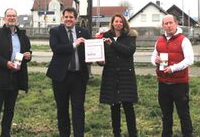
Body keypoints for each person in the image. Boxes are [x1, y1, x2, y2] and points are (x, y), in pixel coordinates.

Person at [0, 8, 32, 137]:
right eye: (9, 16)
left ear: (16, 18)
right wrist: (5, 63)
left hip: (15, 78)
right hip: (0, 78)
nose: (12, 18)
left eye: (14, 16)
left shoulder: (22, 36)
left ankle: (6, 133)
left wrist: (29, 56)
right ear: (4, 18)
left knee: (10, 110)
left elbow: (28, 52)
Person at [46, 7, 91, 137]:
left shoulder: (84, 32)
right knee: (62, 109)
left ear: (75, 19)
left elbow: (90, 49)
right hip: (61, 77)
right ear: (62, 18)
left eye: (71, 17)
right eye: (66, 17)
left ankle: (79, 134)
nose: (68, 19)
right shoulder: (55, 31)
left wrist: (96, 55)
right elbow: (56, 48)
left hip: (79, 77)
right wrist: (74, 44)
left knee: (78, 108)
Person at [151, 14, 194, 137]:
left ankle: (187, 134)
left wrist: (173, 68)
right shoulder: (159, 40)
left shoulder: (184, 40)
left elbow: (189, 60)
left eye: (171, 23)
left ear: (176, 24)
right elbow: (153, 56)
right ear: (163, 26)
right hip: (163, 83)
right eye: (166, 23)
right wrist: (156, 61)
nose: (168, 26)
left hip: (179, 84)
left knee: (183, 113)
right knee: (166, 114)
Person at [99, 13, 138, 137]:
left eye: (120, 21)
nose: (118, 24)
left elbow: (128, 51)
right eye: (116, 21)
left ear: (124, 23)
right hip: (111, 76)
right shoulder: (105, 37)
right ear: (112, 23)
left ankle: (133, 133)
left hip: (126, 77)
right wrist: (100, 62)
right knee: (114, 107)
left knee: (128, 107)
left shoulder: (130, 37)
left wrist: (113, 44)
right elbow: (102, 55)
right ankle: (117, 133)